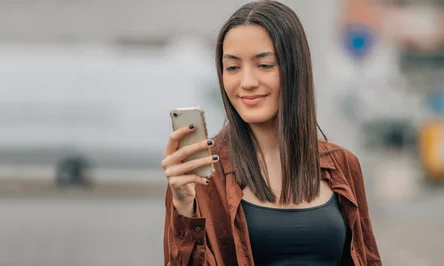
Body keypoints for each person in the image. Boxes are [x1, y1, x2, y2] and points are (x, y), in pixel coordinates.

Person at [161, 1, 382, 265]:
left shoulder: (343, 164)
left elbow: (367, 258)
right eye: (232, 67)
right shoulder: (205, 173)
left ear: (295, 69)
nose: (247, 82)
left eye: (264, 65)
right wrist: (184, 207)